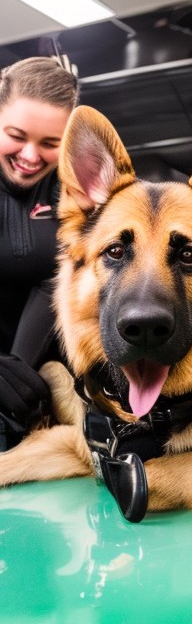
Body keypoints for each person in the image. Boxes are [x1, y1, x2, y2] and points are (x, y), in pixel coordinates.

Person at [0, 56, 80, 449]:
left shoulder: (73, 192)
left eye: (49, 143)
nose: (31, 157)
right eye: (16, 135)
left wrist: (20, 370)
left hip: (41, 385)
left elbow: (57, 281)